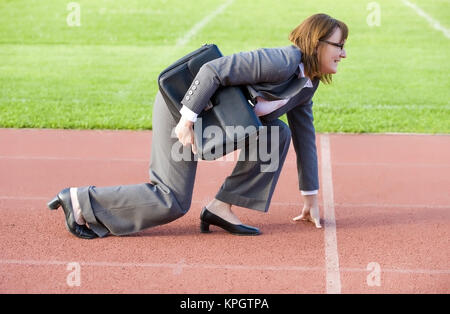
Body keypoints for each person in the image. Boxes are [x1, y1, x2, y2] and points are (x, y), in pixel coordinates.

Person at [47, 13, 348, 239]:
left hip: (213, 122)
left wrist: (310, 199)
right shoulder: (282, 60)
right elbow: (212, 70)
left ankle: (221, 207)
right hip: (182, 107)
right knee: (171, 200)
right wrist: (185, 121)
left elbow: (304, 138)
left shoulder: (308, 85)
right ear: (317, 42)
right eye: (339, 45)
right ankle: (80, 201)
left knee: (278, 133)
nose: (344, 54)